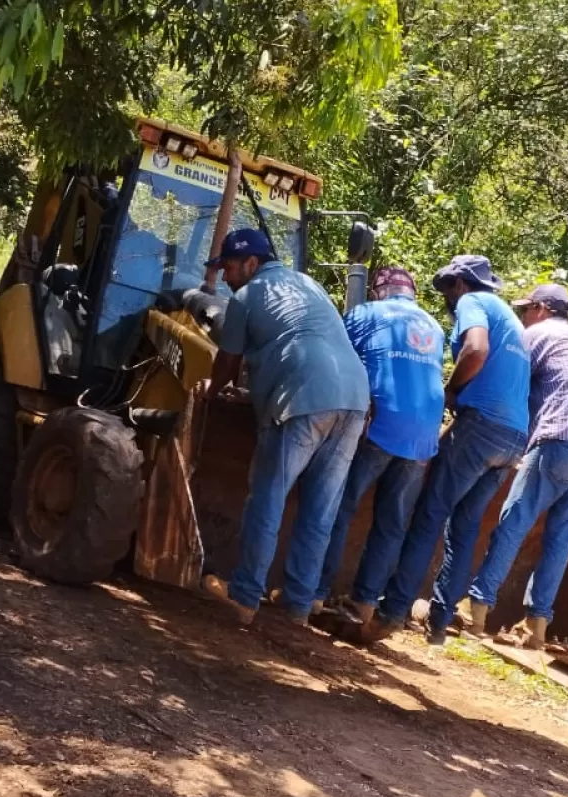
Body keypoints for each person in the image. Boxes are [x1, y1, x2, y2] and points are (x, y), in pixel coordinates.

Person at [201, 228, 370, 626]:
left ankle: (244, 597)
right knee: (320, 509)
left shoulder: (244, 298)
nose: (225, 278)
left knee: (268, 498)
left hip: (302, 397)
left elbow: (227, 360)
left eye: (228, 268)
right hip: (354, 398)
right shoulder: (308, 284)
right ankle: (297, 604)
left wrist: (211, 393)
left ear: (251, 264)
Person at [361, 254, 530, 644]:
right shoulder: (511, 318)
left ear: (459, 283)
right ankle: (439, 622)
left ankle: (392, 611)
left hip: (482, 427)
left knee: (429, 513)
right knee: (466, 526)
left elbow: (475, 349)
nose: (446, 300)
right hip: (512, 437)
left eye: (446, 290)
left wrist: (449, 390)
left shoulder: (474, 303)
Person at [463, 284, 568, 646]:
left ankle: (477, 612)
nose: (521, 316)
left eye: (526, 309)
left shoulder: (536, 334)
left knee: (512, 523)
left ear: (543, 309)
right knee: (560, 539)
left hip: (559, 439)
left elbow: (509, 382)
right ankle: (537, 628)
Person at [315, 266, 446, 624]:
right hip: (423, 434)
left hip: (380, 424)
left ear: (378, 291)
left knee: (340, 507)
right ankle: (366, 603)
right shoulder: (434, 327)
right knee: (392, 523)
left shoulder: (365, 313)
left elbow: (333, 361)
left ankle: (316, 592)